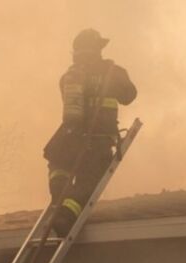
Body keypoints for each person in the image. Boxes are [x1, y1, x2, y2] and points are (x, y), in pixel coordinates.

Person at [43, 28, 137, 235]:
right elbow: (130, 95)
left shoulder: (69, 77)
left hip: (70, 135)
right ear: (98, 49)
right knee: (89, 181)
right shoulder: (113, 71)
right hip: (99, 137)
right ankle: (65, 216)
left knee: (57, 161)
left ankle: (58, 199)